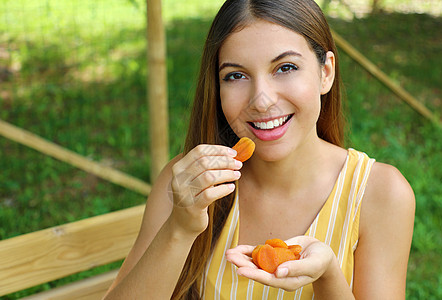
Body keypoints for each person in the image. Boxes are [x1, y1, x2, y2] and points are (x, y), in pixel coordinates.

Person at [103, 0, 415, 299]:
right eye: (236, 75)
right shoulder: (188, 184)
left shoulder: (380, 194)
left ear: (326, 72)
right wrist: (180, 228)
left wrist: (328, 276)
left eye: (286, 67)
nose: (261, 100)